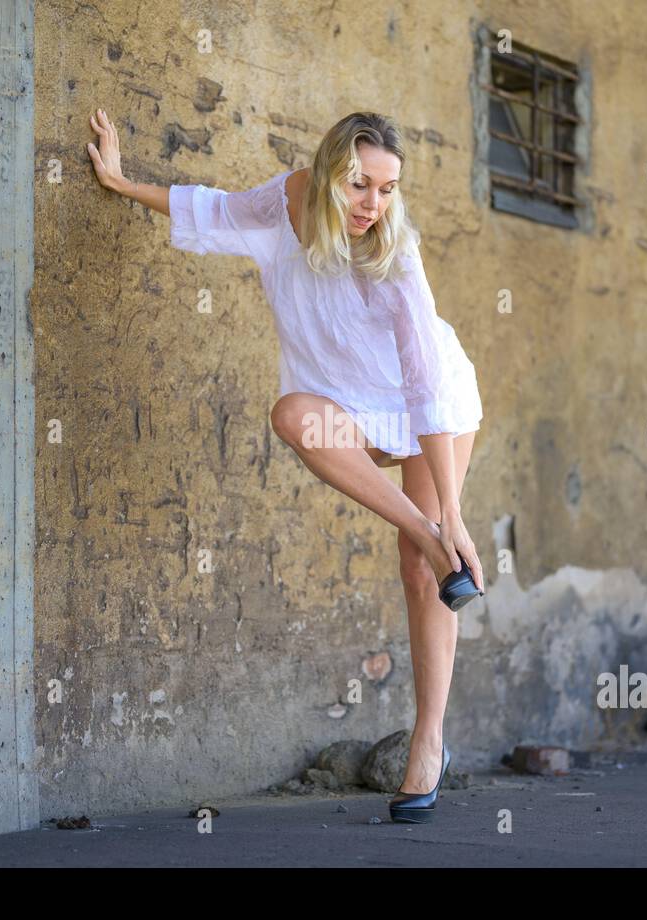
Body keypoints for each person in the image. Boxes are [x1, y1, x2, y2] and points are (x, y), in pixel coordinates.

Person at [88, 108, 483, 821]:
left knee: (422, 568)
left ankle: (428, 741)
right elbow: (210, 209)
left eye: (389, 189)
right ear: (329, 170)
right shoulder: (284, 204)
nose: (373, 204)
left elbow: (425, 383)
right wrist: (120, 182)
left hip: (429, 404)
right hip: (350, 408)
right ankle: (424, 532)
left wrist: (450, 512)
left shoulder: (396, 252)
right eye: (360, 184)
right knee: (293, 415)